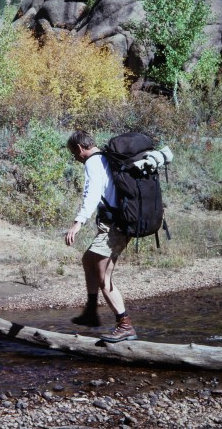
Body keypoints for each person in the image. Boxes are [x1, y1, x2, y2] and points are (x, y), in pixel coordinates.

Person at [65, 129, 137, 342]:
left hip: (113, 228)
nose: (76, 159)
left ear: (80, 148)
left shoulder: (93, 163)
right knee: (88, 260)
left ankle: (125, 325)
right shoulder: (107, 158)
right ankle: (91, 311)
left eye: (74, 154)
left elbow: (92, 193)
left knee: (103, 276)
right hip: (118, 225)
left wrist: (77, 223)